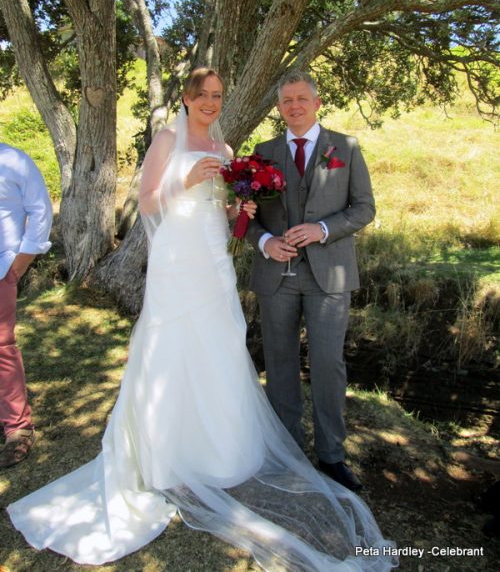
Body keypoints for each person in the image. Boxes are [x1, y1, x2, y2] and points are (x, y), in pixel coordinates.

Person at [8, 69, 395, 570]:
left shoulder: (231, 148)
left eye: (217, 95)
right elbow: (147, 202)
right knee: (172, 346)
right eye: (203, 95)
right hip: (178, 258)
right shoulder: (169, 140)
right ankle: (169, 451)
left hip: (215, 258)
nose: (211, 102)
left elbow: (237, 215)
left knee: (221, 344)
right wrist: (185, 181)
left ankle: (230, 448)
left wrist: (243, 210)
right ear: (187, 99)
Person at [247, 69, 375, 492]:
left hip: (330, 274)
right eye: (287, 101)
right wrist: (265, 241)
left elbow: (364, 208)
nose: (294, 106)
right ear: (279, 107)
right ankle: (286, 450)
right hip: (275, 276)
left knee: (327, 364)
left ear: (316, 103)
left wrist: (322, 230)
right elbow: (245, 218)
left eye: (302, 98)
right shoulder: (262, 152)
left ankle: (332, 456)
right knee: (280, 365)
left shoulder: (347, 148)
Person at [0, 143, 52, 469]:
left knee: (1, 348)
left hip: (1, 268)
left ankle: (17, 427)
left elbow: (41, 211)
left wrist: (17, 265)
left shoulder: (13, 161)